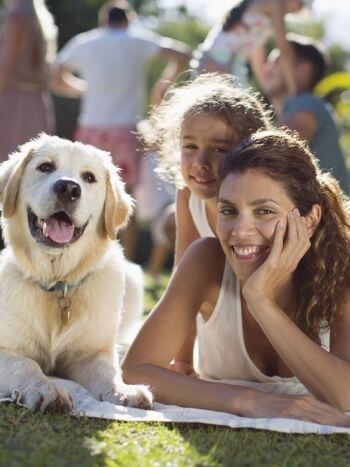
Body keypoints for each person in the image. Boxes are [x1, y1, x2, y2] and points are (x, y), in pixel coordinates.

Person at [122, 128, 350, 426]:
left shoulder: (340, 268)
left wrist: (260, 301)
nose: (240, 231)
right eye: (229, 211)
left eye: (264, 211)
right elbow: (136, 369)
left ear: (310, 220)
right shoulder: (206, 260)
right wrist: (250, 401)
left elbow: (344, 395)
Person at [142, 73, 271, 374]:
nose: (200, 162)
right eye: (189, 146)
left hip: (270, 328)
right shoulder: (188, 195)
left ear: (251, 150)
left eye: (219, 149)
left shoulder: (265, 204)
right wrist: (183, 360)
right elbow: (182, 279)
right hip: (224, 329)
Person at [51, 0, 191, 259]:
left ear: (104, 21)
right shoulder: (138, 40)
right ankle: (123, 263)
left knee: (83, 197)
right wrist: (163, 86)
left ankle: (84, 258)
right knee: (124, 200)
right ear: (128, 21)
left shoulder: (86, 42)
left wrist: (82, 89)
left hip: (91, 130)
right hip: (127, 131)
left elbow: (56, 74)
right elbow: (183, 54)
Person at [252, 33, 349, 193]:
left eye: (275, 63)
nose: (266, 70)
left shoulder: (308, 104)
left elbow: (273, 148)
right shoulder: (294, 107)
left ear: (303, 70)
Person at [192, 0, 305, 92]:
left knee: (244, 109)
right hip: (218, 58)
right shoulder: (275, 3)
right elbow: (284, 48)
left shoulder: (266, 19)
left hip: (234, 63)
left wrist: (267, 89)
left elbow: (257, 55)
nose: (299, 9)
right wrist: (294, 90)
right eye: (301, 3)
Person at [0, 0, 57, 162]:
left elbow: (4, 67)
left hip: (14, 103)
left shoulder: (16, 17)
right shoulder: (37, 16)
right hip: (37, 103)